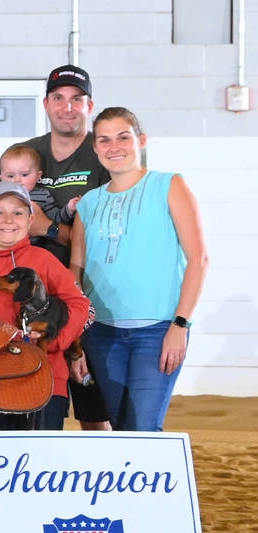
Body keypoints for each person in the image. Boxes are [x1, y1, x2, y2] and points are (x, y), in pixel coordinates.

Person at [71, 107, 209, 432]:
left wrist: (180, 324)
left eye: (123, 137)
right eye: (104, 140)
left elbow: (199, 258)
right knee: (121, 428)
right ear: (95, 147)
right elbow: (74, 270)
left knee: (145, 428)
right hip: (101, 333)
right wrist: (77, 338)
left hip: (157, 330)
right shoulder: (89, 202)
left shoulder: (169, 185)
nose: (114, 147)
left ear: (141, 141)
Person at [0, 182, 89, 431]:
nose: (8, 219)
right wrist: (17, 338)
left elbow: (78, 303)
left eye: (18, 212)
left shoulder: (44, 259)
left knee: (44, 458)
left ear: (30, 219)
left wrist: (56, 340)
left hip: (46, 374)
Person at [26, 64, 112, 432]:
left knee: (95, 412)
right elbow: (4, 223)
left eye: (77, 99)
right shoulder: (25, 155)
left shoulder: (105, 155)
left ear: (89, 105)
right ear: (46, 103)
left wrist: (47, 228)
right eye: (59, 98)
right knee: (40, 408)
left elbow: (110, 236)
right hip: (35, 302)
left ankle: (106, 482)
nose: (67, 107)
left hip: (91, 298)